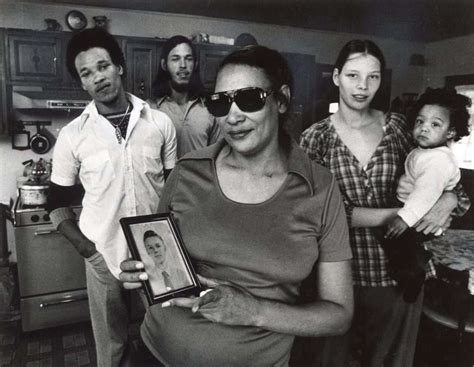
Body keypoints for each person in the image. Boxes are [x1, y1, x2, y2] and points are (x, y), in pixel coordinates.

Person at [119, 45, 354, 367]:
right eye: (220, 102)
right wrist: (143, 271)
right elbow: (160, 258)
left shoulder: (320, 189)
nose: (232, 116)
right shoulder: (188, 170)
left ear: (281, 100)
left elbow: (338, 315)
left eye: (248, 99)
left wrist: (253, 311)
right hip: (155, 354)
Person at [300, 39, 470, 367]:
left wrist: (447, 199)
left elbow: (448, 184)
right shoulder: (315, 138)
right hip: (338, 280)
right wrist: (403, 214)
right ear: (336, 77)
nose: (363, 86)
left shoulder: (401, 128)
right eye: (352, 75)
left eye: (373, 77)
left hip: (400, 277)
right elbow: (314, 213)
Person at [46, 28, 177, 367]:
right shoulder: (73, 135)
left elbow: (177, 187)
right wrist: (88, 251)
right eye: (86, 73)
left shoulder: (159, 123)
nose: (97, 77)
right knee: (111, 347)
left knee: (168, 336)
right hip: (102, 250)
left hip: (156, 250)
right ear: (82, 84)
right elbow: (56, 204)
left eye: (102, 66)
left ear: (119, 66)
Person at [382, 87, 471, 303]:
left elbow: (425, 193)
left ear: (450, 133)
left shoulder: (437, 161)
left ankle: (415, 277)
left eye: (435, 124)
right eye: (420, 122)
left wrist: (405, 218)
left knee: (403, 249)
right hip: (412, 207)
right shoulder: (427, 152)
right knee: (398, 248)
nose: (424, 128)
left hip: (416, 213)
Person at [148, 35, 221, 158]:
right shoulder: (150, 109)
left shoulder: (210, 109)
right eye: (175, 59)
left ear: (196, 64)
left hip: (200, 177)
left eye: (188, 59)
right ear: (164, 65)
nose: (183, 65)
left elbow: (217, 157)